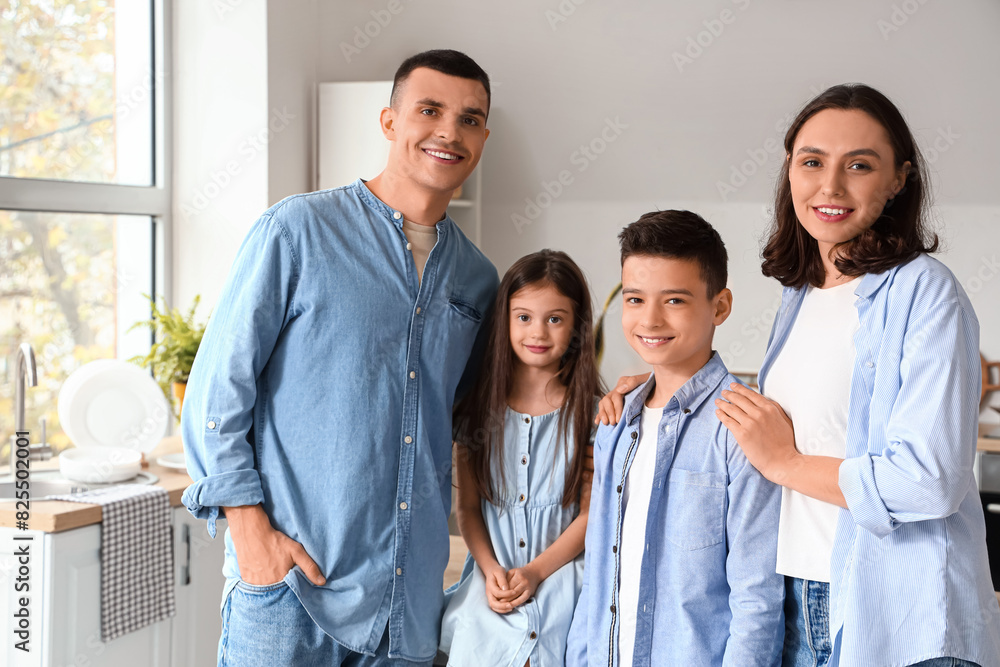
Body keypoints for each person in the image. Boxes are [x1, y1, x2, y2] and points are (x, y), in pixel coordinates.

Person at [604, 85, 1000, 667]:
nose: (830, 186)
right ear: (790, 169)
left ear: (898, 180)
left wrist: (785, 464)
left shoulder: (925, 291)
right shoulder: (799, 294)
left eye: (859, 166)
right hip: (796, 596)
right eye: (812, 162)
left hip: (897, 615)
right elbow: (798, 424)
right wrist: (655, 395)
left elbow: (929, 483)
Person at [180, 50, 499, 666]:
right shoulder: (297, 230)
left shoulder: (478, 279)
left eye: (470, 119)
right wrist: (251, 534)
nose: (448, 132)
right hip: (291, 590)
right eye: (429, 111)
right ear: (389, 121)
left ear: (483, 135)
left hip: (406, 607)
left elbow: (479, 419)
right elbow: (218, 391)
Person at [567, 211, 785, 666]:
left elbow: (757, 596)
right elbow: (598, 576)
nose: (650, 319)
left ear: (720, 306)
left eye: (675, 301)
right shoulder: (615, 421)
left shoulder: (742, 425)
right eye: (634, 299)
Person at [438, 249, 601, 666]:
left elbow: (589, 515)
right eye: (524, 316)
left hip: (562, 577)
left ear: (576, 326)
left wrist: (535, 573)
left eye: (555, 319)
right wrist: (491, 568)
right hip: (492, 578)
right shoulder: (476, 411)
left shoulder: (593, 414)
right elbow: (469, 509)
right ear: (505, 320)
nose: (539, 332)